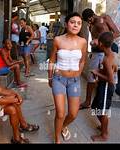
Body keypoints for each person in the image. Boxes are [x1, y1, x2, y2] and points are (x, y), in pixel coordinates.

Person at [48, 12, 87, 143]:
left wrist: (78, 74)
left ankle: (63, 126)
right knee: (60, 113)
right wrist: (49, 78)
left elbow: (82, 61)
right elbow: (52, 60)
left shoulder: (83, 42)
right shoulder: (58, 40)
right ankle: (57, 139)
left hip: (74, 81)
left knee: (73, 114)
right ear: (66, 24)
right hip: (59, 79)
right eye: (72, 22)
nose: (76, 25)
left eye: (79, 23)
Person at [79, 8, 120, 110]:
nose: (88, 22)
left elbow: (117, 33)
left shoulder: (105, 18)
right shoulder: (91, 25)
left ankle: (105, 102)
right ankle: (88, 102)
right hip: (96, 52)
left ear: (92, 15)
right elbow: (94, 39)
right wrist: (93, 44)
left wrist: (101, 40)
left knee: (108, 77)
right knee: (91, 77)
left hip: (107, 51)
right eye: (87, 21)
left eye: (89, 20)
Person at [90, 32, 117, 141]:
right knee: (95, 107)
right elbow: (114, 69)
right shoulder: (111, 54)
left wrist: (97, 73)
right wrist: (100, 71)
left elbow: (111, 79)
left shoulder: (106, 59)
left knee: (103, 111)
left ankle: (104, 135)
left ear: (100, 43)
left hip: (106, 87)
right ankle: (103, 126)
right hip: (102, 86)